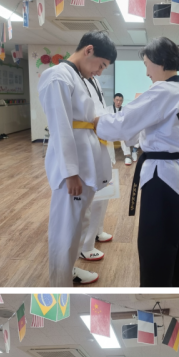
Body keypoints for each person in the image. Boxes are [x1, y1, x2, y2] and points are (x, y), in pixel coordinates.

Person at [94, 36, 179, 287]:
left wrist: (95, 122)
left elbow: (124, 122)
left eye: (146, 64)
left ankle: (155, 294)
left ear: (159, 61)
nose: (147, 72)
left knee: (157, 246)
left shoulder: (162, 91)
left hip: (163, 180)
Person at [38, 31, 117, 286]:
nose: (100, 72)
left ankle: (69, 270)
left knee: (78, 225)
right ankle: (60, 284)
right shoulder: (58, 77)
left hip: (86, 165)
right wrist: (70, 172)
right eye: (101, 65)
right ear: (88, 50)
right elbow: (61, 129)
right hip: (73, 172)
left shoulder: (81, 77)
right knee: (66, 229)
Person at [77, 72, 121, 267]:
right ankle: (85, 246)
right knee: (90, 199)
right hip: (89, 143)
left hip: (102, 141)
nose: (101, 70)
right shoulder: (74, 78)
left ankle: (97, 231)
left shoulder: (93, 79)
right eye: (100, 64)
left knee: (104, 194)